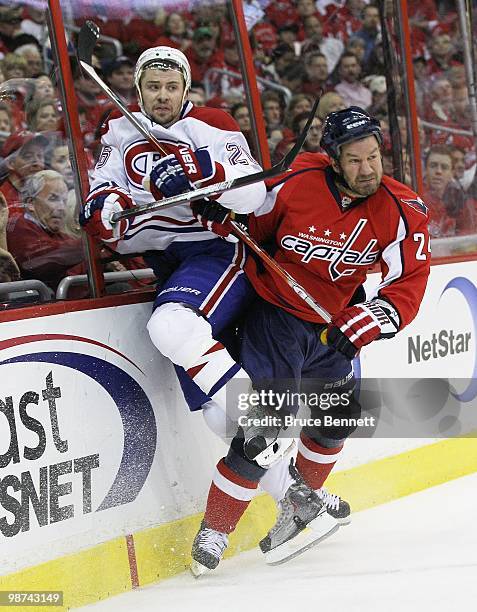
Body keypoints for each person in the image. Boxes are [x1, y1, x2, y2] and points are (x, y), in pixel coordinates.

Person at [191, 107, 431, 572]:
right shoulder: (294, 178)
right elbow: (249, 227)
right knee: (265, 427)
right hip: (276, 317)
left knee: (339, 419)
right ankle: (215, 531)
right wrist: (224, 219)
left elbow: (412, 277)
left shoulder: (400, 207)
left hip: (333, 325)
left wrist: (376, 314)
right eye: (356, 161)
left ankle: (302, 501)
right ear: (334, 160)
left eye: (375, 157)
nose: (369, 170)